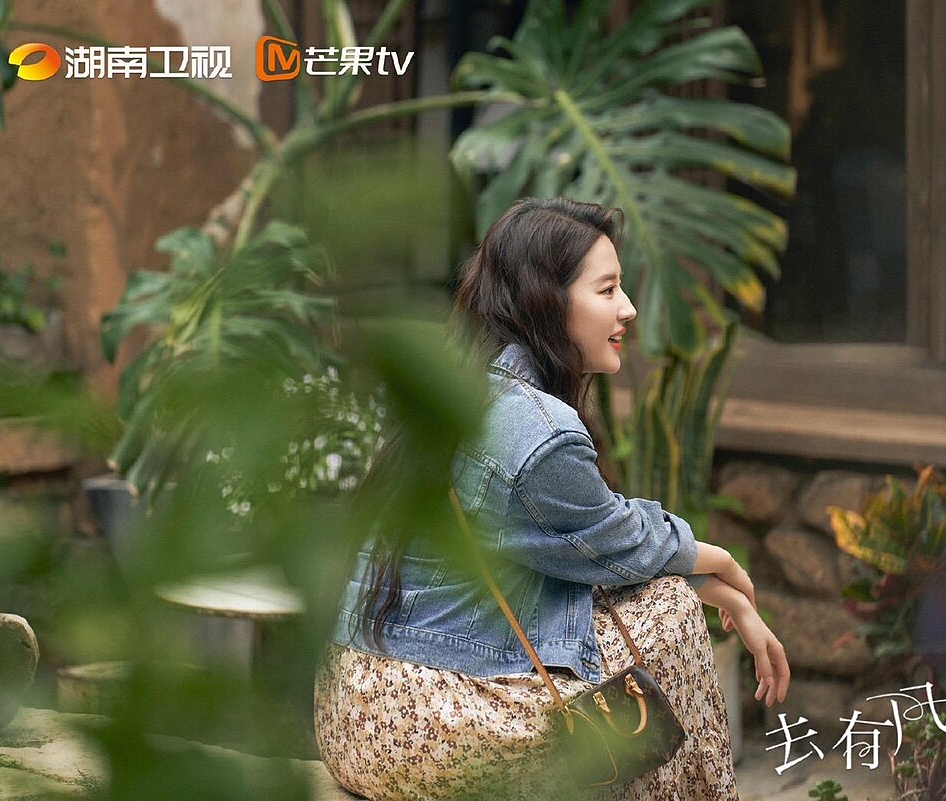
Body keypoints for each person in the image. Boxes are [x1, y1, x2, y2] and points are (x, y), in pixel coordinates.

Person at [314, 197, 790, 800]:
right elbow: (620, 543)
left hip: (351, 711)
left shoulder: (453, 389)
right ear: (546, 302)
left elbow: (586, 547)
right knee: (668, 609)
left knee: (630, 597)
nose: (628, 308)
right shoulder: (538, 431)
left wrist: (715, 584)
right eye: (607, 290)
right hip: (432, 727)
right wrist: (724, 569)